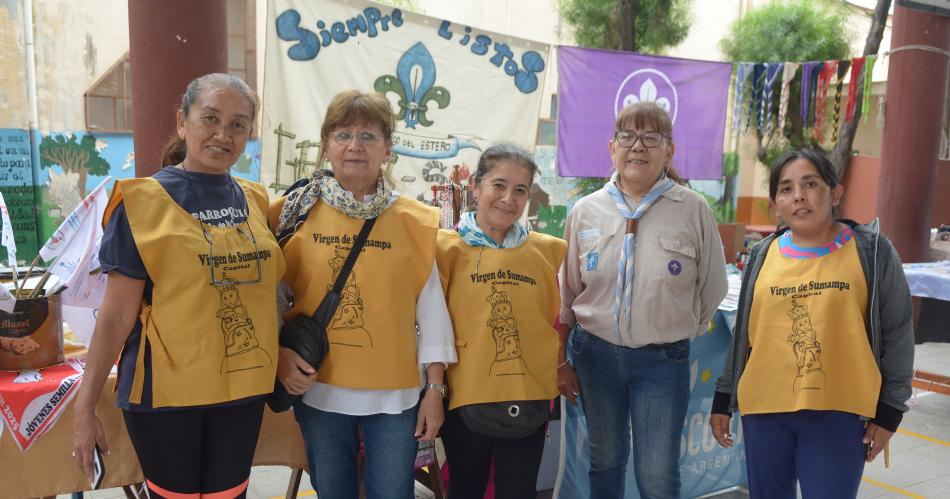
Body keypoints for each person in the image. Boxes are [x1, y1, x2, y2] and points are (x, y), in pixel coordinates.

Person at [71, 73, 284, 498]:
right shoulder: (140, 203)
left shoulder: (258, 201)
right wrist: (85, 406)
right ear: (183, 122)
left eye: (238, 125)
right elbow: (115, 316)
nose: (223, 134)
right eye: (210, 118)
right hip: (165, 397)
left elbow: (274, 294)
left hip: (241, 390)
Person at [271, 90, 456, 499]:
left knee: (392, 493)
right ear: (326, 146)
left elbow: (431, 311)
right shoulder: (291, 211)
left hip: (396, 394)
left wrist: (435, 389)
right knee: (332, 491)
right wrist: (278, 356)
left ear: (387, 149)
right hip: (317, 386)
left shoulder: (416, 221)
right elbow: (267, 297)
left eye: (368, 136)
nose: (354, 145)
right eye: (343, 134)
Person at [710, 149, 915, 498]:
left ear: (835, 193)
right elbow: (746, 332)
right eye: (786, 189)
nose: (799, 196)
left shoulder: (872, 251)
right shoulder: (763, 254)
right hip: (765, 411)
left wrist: (890, 411)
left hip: (839, 413)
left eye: (810, 184)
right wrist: (723, 397)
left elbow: (898, 332)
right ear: (776, 203)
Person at [557, 101, 728, 499]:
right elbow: (568, 290)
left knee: (656, 473)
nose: (638, 146)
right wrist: (562, 358)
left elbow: (712, 287)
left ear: (669, 151)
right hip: (595, 356)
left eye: (651, 137)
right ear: (611, 147)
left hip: (661, 361)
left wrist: (671, 327)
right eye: (628, 136)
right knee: (605, 461)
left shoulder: (693, 209)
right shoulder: (585, 211)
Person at [436, 144, 567, 499]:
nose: (508, 199)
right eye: (498, 185)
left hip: (528, 399)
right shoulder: (444, 248)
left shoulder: (548, 252)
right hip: (465, 398)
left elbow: (555, 319)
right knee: (465, 488)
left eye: (520, 190)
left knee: (518, 491)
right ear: (476, 186)